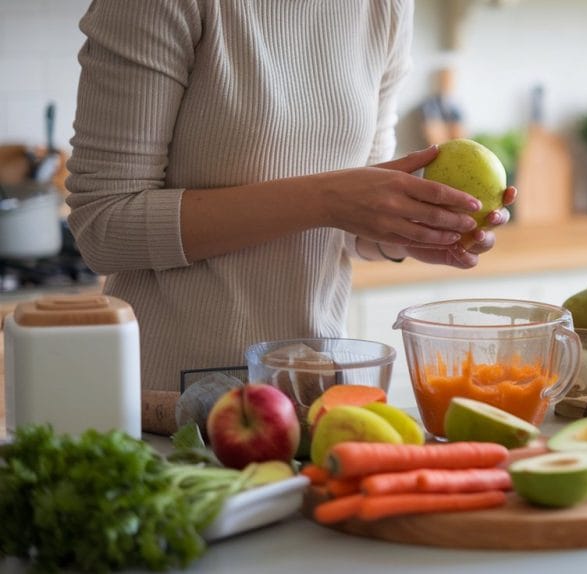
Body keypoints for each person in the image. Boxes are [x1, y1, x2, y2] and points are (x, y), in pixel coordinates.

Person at [65, 0, 514, 434]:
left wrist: (407, 232)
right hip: (169, 410)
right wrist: (326, 199)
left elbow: (350, 221)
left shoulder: (387, 6)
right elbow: (104, 226)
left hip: (312, 399)